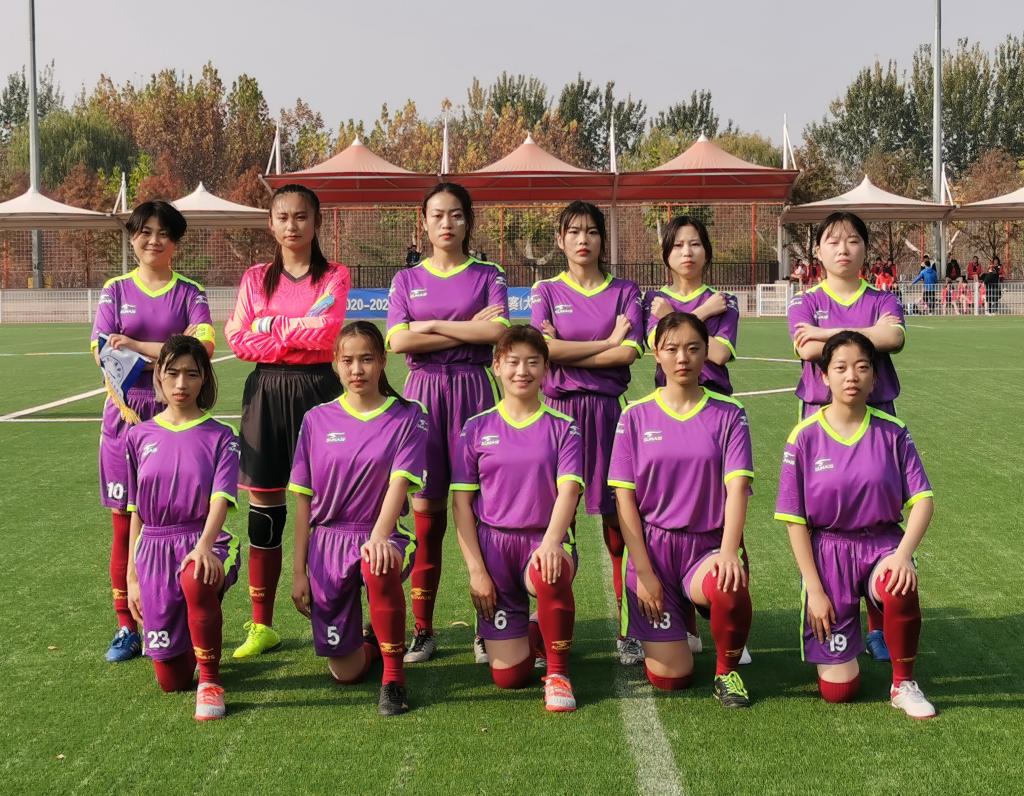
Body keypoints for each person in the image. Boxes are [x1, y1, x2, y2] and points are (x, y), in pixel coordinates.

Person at [775, 331, 936, 719]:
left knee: (899, 583)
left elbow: (923, 501)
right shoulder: (804, 436)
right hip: (829, 552)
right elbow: (794, 521)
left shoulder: (893, 431)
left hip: (882, 545)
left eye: (862, 367)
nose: (852, 376)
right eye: (841, 367)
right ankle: (847, 645)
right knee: (839, 691)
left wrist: (903, 556)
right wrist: (815, 590)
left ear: (875, 378)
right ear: (824, 376)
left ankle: (903, 683)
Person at [224, 184, 351, 659]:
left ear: (315, 222)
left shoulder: (335, 275)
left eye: (301, 216)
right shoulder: (255, 278)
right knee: (265, 509)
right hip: (265, 391)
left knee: (326, 505)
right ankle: (262, 624)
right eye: (283, 217)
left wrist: (268, 325)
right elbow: (238, 339)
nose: (292, 225)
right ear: (271, 224)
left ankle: (331, 611)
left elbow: (328, 334)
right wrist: (290, 332)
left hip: (320, 389)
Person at [386, 182, 509, 663]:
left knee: (482, 513)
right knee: (428, 515)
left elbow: (496, 332)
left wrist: (431, 325)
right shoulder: (405, 280)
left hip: (475, 394)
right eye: (437, 215)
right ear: (424, 221)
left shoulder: (488, 274)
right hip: (424, 397)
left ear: (467, 221)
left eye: (455, 214)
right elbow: (398, 342)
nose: (446, 223)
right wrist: (466, 328)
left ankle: (486, 627)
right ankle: (424, 628)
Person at [90, 200, 215, 663]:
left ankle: (178, 617)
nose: (153, 240)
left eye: (163, 233)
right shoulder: (115, 289)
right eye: (144, 231)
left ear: (175, 242)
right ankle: (126, 625)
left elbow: (201, 347)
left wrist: (137, 344)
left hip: (173, 414)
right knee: (124, 524)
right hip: (124, 415)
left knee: (177, 521)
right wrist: (162, 355)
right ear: (133, 237)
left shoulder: (190, 293)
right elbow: (102, 349)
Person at [610, 312, 754, 707]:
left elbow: (737, 489)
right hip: (655, 551)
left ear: (706, 352)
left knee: (729, 584)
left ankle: (727, 672)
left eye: (693, 348)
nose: (682, 358)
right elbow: (624, 498)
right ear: (656, 354)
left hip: (706, 547)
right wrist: (643, 573)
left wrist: (729, 552)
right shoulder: (635, 415)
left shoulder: (729, 413)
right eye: (671, 349)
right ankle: (682, 618)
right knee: (671, 679)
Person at [289, 322, 425, 716]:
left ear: (382, 361)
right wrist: (298, 572)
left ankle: (394, 679)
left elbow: (400, 483)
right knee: (345, 673)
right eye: (347, 360)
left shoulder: (408, 416)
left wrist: (379, 537)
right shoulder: (316, 419)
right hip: (328, 540)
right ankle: (373, 641)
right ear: (334, 363)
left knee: (377, 563)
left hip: (382, 534)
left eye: (366, 359)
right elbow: (303, 500)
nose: (357, 369)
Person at [788, 211, 907, 662]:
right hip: (821, 418)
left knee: (881, 507)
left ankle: (878, 622)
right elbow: (806, 348)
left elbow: (893, 338)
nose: (843, 249)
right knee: (818, 515)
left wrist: (827, 334)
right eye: (833, 241)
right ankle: (825, 606)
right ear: (818, 251)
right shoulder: (804, 301)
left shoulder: (882, 297)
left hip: (876, 414)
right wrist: (859, 337)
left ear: (865, 249)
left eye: (853, 240)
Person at [530, 200, 644, 666]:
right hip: (558, 418)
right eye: (574, 231)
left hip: (608, 416)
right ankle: (549, 634)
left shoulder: (625, 291)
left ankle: (630, 629)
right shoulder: (545, 290)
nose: (583, 239)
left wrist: (571, 348)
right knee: (555, 526)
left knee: (621, 522)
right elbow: (543, 349)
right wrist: (607, 341)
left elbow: (628, 355)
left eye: (591, 231)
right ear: (560, 239)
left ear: (602, 239)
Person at [452, 325, 583, 712]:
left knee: (549, 571)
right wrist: (476, 570)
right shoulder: (476, 427)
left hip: (542, 540)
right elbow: (462, 505)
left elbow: (569, 491)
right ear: (496, 366)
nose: (522, 371)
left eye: (532, 362)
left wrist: (552, 543)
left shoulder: (563, 426)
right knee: (509, 678)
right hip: (495, 546)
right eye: (512, 362)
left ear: (545, 368)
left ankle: (558, 673)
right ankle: (533, 629)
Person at [125, 336, 241, 720]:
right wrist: (132, 578)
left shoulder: (221, 435)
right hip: (154, 548)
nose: (181, 384)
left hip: (204, 539)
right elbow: (136, 511)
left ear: (204, 378)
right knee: (170, 681)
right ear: (158, 375)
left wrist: (204, 545)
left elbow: (221, 499)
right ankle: (194, 634)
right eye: (172, 372)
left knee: (196, 576)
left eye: (192, 374)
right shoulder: (138, 436)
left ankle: (210, 681)